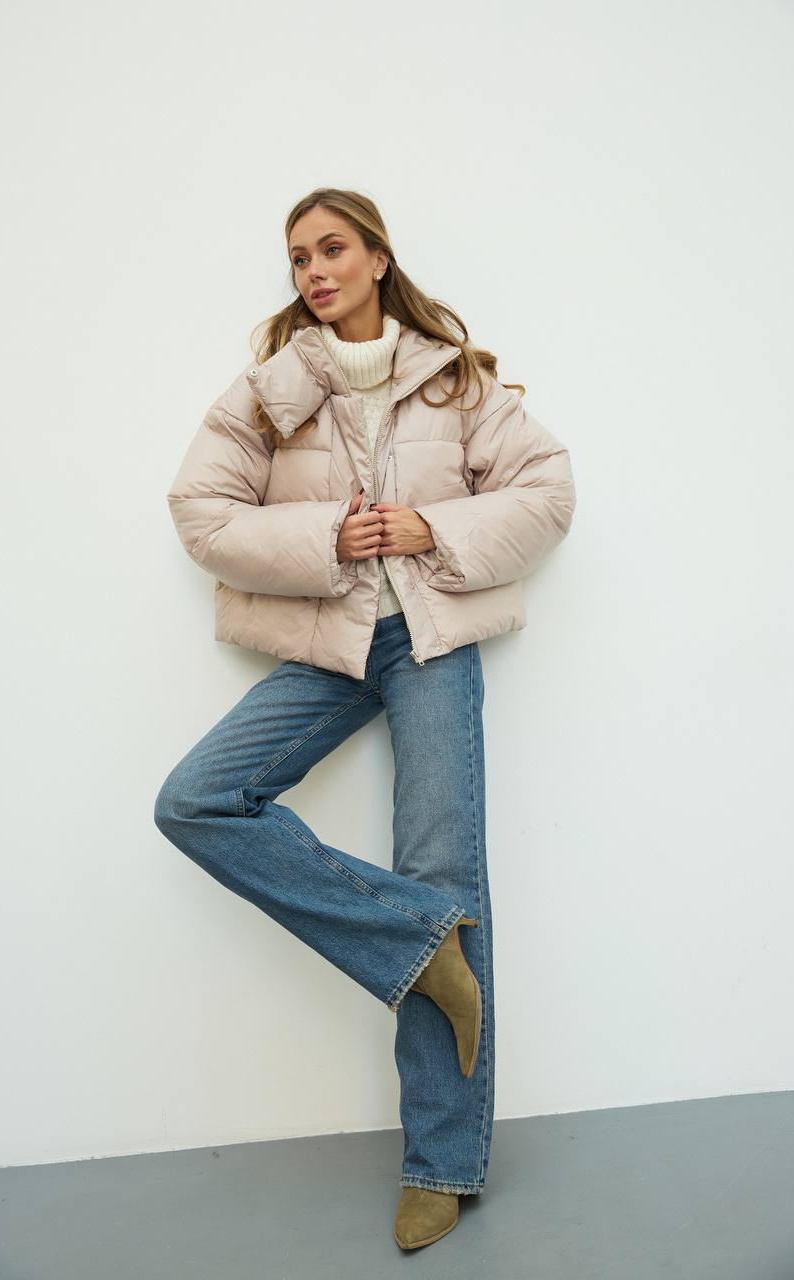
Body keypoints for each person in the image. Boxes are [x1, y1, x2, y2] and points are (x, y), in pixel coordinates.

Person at [154, 187, 576, 1251]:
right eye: (297, 257)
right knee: (197, 799)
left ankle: (443, 1159)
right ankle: (420, 942)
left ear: (378, 256)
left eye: (331, 248)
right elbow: (200, 513)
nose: (313, 270)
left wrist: (430, 520)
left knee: (442, 864)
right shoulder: (269, 392)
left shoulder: (457, 377)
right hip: (330, 640)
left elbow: (548, 489)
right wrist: (322, 542)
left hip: (430, 637)